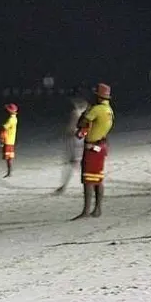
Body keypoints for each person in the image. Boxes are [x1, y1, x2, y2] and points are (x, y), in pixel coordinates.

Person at [72, 83, 114, 220]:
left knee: (88, 180)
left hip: (92, 147)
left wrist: (85, 112)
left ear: (98, 96)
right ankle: (98, 209)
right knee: (98, 179)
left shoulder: (96, 110)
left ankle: (86, 211)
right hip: (102, 146)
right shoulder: (109, 110)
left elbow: (81, 123)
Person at [55, 97, 89, 194]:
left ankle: (65, 186)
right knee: (76, 163)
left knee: (72, 163)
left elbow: (71, 128)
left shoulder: (75, 113)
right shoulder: (85, 114)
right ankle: (87, 183)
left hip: (73, 140)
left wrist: (64, 134)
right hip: (80, 139)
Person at [0, 104, 18, 177]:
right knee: (9, 158)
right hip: (10, 140)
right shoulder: (14, 118)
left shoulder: (11, 119)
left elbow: (4, 127)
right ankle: (9, 172)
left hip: (8, 140)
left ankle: (9, 172)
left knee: (8, 158)